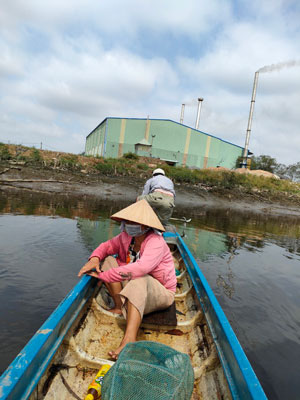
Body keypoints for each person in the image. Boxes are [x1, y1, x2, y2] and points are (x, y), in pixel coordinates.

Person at [78, 199, 177, 360]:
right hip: (136, 285)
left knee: (138, 277)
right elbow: (107, 246)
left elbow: (141, 268)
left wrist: (105, 276)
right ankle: (118, 306)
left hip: (160, 292)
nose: (128, 224)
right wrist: (95, 258)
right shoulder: (126, 237)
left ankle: (129, 338)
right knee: (108, 260)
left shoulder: (156, 242)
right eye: (127, 221)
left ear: (145, 225)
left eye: (132, 222)